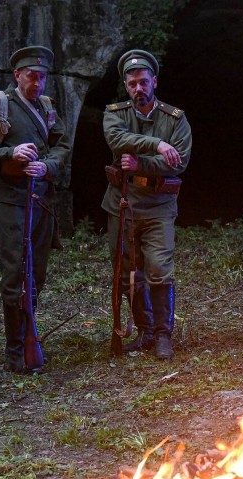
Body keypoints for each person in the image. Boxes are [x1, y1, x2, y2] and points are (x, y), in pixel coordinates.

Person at [0, 46, 71, 374]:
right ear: (17, 75)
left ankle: (29, 337)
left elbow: (62, 146)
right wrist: (9, 154)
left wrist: (48, 166)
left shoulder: (48, 107)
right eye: (31, 76)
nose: (36, 82)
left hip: (41, 202)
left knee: (36, 274)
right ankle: (15, 350)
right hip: (11, 204)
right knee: (14, 275)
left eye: (41, 77)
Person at [102, 49, 192, 359]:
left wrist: (140, 163)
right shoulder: (115, 113)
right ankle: (145, 330)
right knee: (128, 270)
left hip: (158, 206)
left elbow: (178, 162)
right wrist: (157, 145)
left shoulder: (175, 119)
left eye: (143, 82)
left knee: (158, 268)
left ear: (154, 81)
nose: (138, 89)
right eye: (132, 84)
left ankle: (164, 334)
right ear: (126, 86)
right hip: (122, 204)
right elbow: (116, 139)